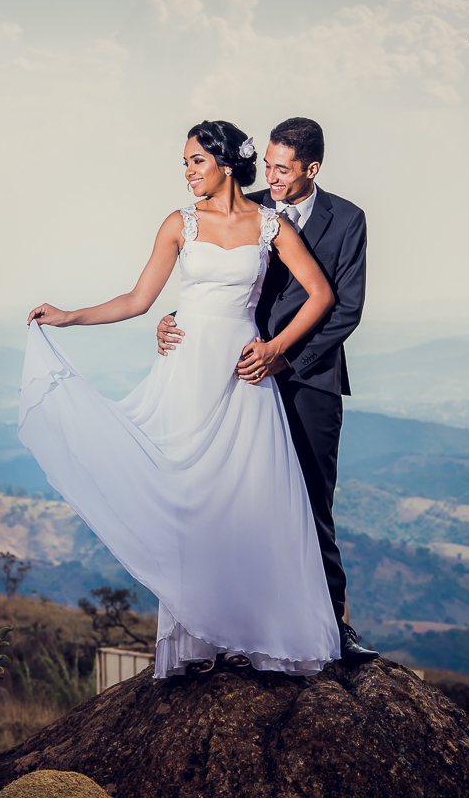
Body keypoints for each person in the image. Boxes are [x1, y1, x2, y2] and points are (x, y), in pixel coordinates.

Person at [19, 120, 341, 677]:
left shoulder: (270, 224)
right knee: (190, 498)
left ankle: (246, 632)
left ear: (223, 163)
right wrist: (69, 315)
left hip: (244, 376)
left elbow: (322, 294)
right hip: (188, 373)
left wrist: (275, 348)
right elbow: (140, 300)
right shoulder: (178, 223)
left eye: (196, 161)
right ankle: (199, 635)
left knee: (244, 500)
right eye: (185, 163)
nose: (188, 172)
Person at [156, 117, 378, 664]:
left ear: (312, 169)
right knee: (239, 498)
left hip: (309, 376)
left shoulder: (347, 219)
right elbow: (221, 285)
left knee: (310, 502)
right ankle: (239, 619)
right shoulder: (251, 209)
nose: (272, 178)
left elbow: (343, 306)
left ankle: (332, 625)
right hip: (238, 374)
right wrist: (169, 320)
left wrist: (281, 353)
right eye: (269, 166)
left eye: (283, 170)